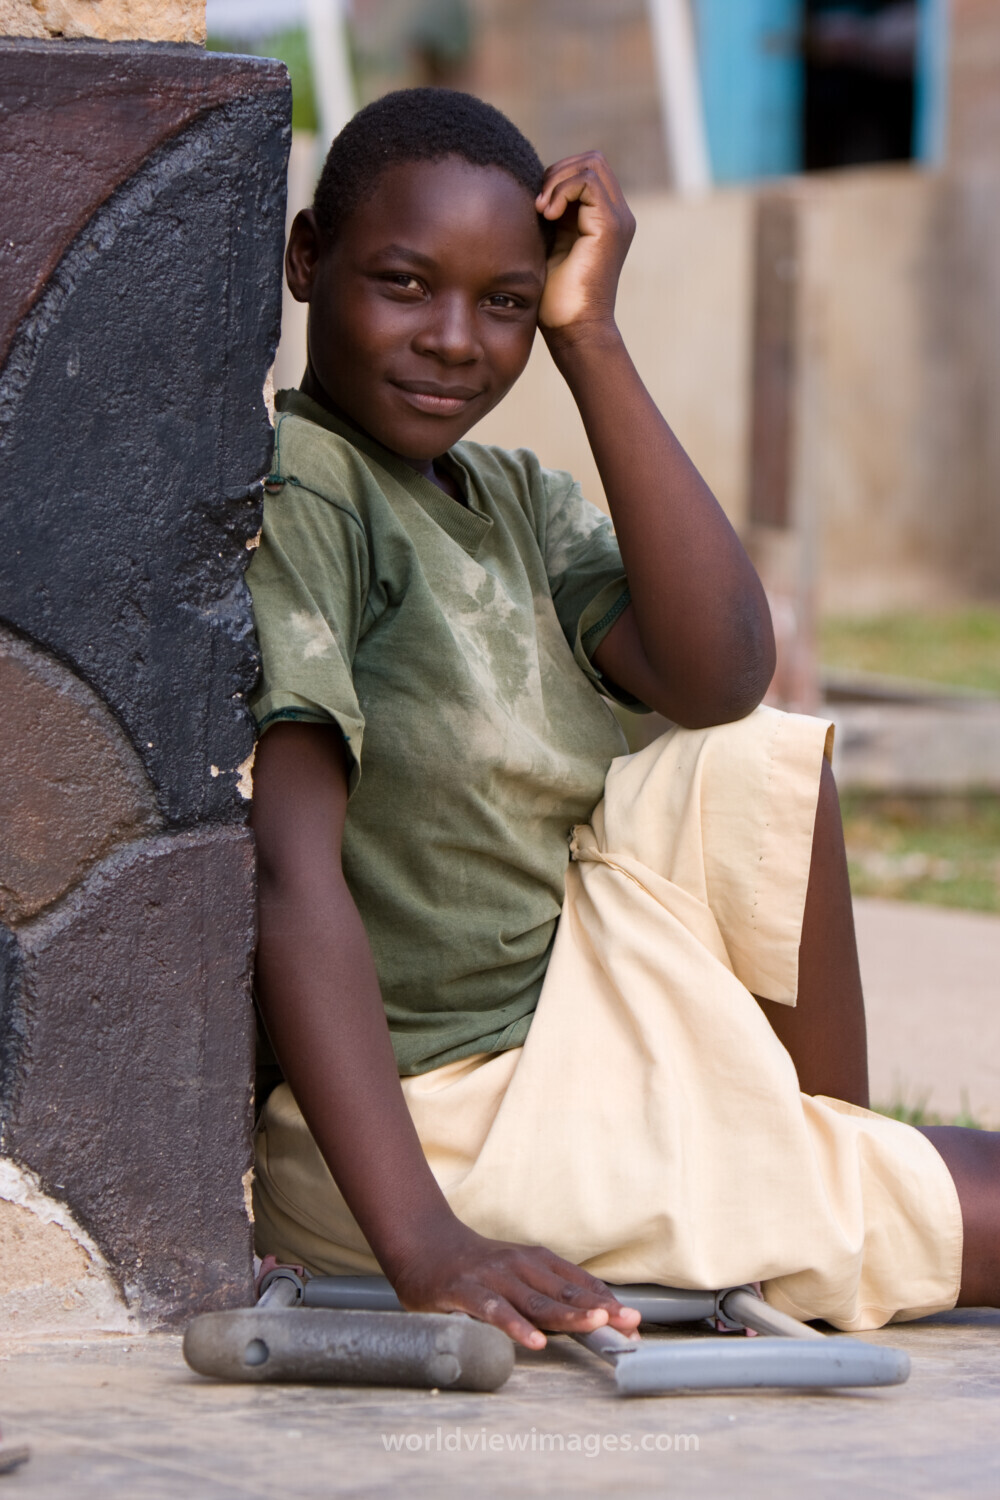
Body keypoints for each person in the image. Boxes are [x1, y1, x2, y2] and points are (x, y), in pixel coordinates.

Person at [247, 88, 998, 1351]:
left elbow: (720, 675)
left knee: (749, 754)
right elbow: (285, 865)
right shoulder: (310, 492)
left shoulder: (508, 497)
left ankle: (813, 1181)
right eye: (404, 283)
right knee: (987, 1195)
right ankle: (816, 1207)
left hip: (579, 1025)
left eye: (504, 303)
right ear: (308, 259)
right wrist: (427, 1243)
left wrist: (591, 335)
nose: (453, 339)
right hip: (435, 1130)